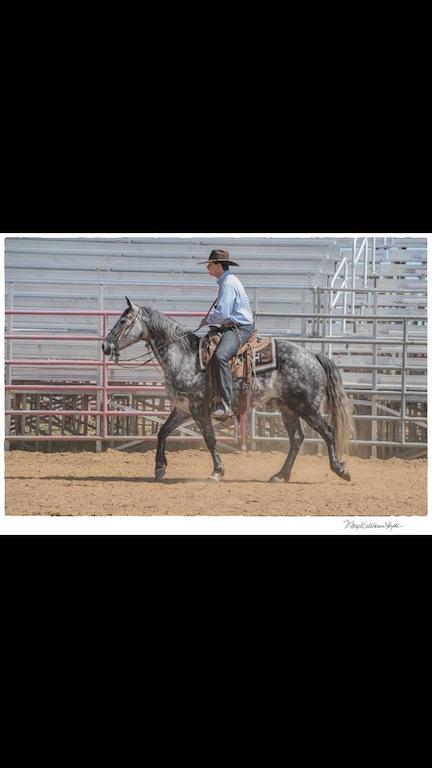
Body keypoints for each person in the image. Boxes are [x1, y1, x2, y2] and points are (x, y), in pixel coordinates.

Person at [198, 249, 255, 418]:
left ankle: (226, 403)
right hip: (234, 326)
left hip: (240, 328)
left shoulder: (228, 284)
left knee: (220, 356)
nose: (208, 267)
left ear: (217, 265)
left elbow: (223, 313)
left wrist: (207, 320)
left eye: (210, 264)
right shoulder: (228, 281)